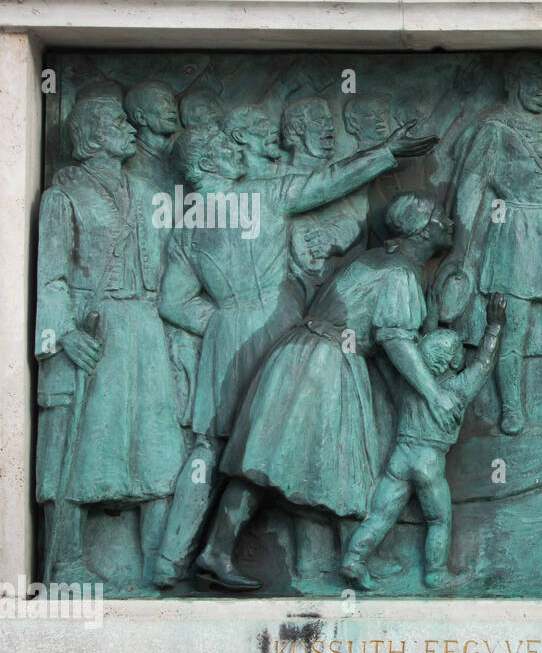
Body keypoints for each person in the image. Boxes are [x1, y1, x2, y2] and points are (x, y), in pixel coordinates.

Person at [152, 124, 438, 589]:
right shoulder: (264, 197)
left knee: (215, 446)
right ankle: (301, 555)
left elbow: (173, 304)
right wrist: (385, 151)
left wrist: (228, 321)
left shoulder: (186, 231)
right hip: (280, 329)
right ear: (206, 164)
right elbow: (328, 181)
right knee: (287, 442)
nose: (237, 145)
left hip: (228, 333)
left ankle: (169, 560)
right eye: (226, 144)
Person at [196, 192, 454, 590]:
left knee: (275, 458)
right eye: (439, 216)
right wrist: (434, 393)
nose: (448, 221)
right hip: (324, 363)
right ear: (422, 230)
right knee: (288, 460)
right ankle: (222, 551)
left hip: (307, 353)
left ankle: (346, 557)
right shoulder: (399, 273)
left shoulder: (376, 261)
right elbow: (395, 339)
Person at [36, 95, 184, 573]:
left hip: (145, 326)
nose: (127, 128)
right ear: (93, 135)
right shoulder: (64, 197)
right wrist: (61, 333)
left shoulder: (146, 193)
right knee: (76, 450)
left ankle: (159, 561)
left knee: (155, 444)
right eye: (118, 122)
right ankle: (66, 561)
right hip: (94, 328)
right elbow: (50, 276)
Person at [440, 53, 542, 438]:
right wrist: (460, 249)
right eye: (532, 79)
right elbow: (471, 187)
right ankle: (513, 410)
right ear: (513, 83)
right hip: (514, 234)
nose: (541, 87)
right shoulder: (495, 128)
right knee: (512, 330)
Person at [342, 300, 506, 591]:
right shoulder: (457, 389)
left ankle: (355, 558)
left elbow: (391, 358)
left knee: (380, 515)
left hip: (400, 459)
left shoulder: (409, 382)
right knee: (439, 520)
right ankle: (436, 574)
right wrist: (495, 326)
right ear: (454, 362)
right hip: (429, 463)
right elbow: (483, 363)